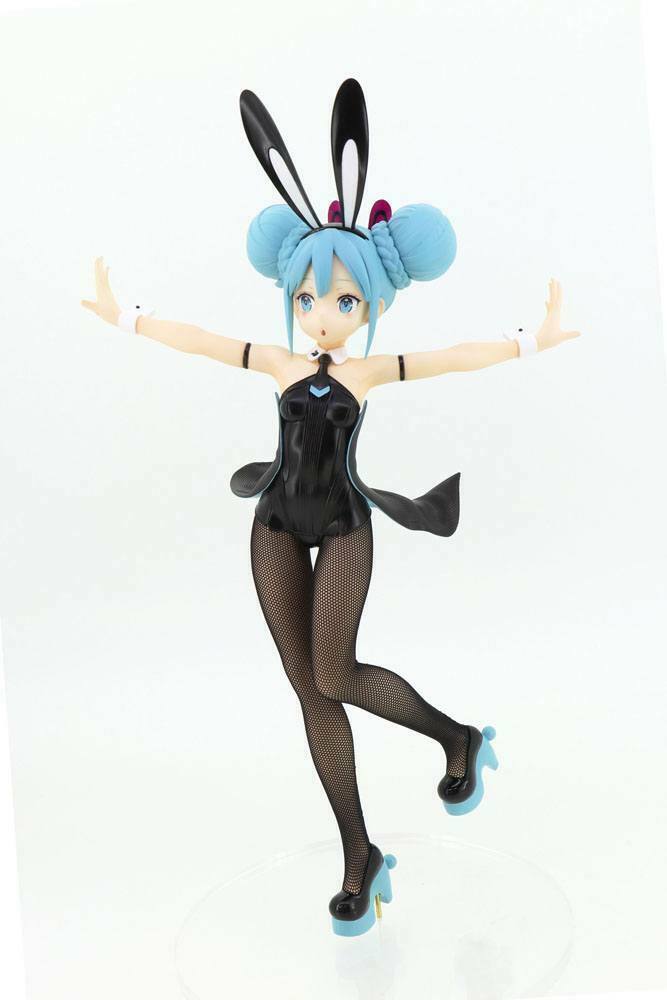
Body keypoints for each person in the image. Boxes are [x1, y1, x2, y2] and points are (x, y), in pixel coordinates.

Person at [81, 79, 581, 937]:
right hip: (273, 525)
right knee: (305, 688)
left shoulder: (368, 371)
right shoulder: (279, 363)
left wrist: (530, 339)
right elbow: (200, 341)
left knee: (335, 673)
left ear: (371, 305)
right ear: (289, 294)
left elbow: (453, 356)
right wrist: (126, 317)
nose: (322, 315)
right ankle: (360, 854)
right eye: (308, 298)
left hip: (345, 525)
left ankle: (456, 738)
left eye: (344, 301)